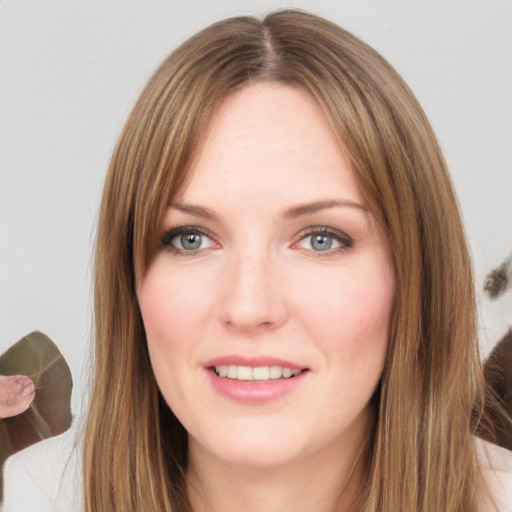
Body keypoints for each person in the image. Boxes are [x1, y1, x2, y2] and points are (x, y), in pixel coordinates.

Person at [3, 9, 511, 512]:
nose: (248, 307)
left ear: (413, 274)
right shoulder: (31, 495)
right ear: (129, 280)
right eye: (191, 240)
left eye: (320, 239)